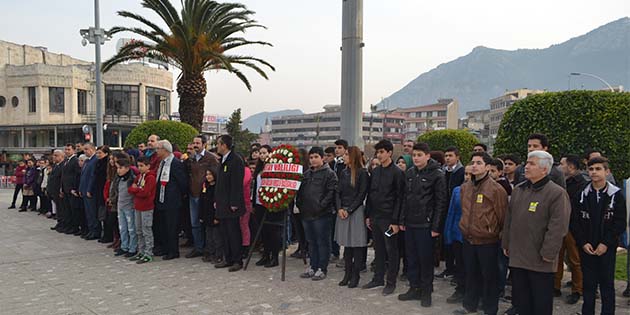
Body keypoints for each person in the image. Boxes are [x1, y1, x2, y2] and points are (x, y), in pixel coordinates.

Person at [502, 150, 571, 315]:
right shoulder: (519, 190)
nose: (526, 167)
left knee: (540, 303)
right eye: (527, 163)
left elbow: (558, 227)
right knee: (521, 301)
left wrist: (548, 253)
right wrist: (506, 243)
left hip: (540, 260)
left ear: (544, 170)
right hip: (518, 257)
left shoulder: (556, 193)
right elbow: (509, 220)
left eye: (531, 164)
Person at [452, 152, 508, 315]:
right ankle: (470, 306)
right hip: (468, 238)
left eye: (479, 162)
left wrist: (500, 237)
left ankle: (490, 309)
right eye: (473, 162)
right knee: (471, 274)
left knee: (489, 277)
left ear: (488, 167)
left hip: (488, 241)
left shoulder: (496, 189)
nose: (474, 165)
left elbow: (502, 216)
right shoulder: (465, 187)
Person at [570, 157, 626, 315]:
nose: (594, 172)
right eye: (591, 169)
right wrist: (583, 242)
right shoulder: (581, 194)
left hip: (606, 248)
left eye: (598, 169)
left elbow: (619, 223)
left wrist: (606, 243)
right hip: (587, 247)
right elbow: (574, 222)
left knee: (607, 284)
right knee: (588, 285)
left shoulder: (616, 195)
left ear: (607, 172)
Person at [398, 143, 447, 307]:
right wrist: (402, 220)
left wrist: (436, 227)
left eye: (420, 155)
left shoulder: (438, 175)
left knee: (425, 260)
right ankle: (414, 288)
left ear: (428, 156)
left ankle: (426, 292)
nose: (416, 158)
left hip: (426, 225)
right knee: (411, 259)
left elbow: (441, 202)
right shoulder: (410, 173)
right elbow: (405, 198)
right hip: (410, 223)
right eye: (414, 155)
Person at [363, 139, 405, 295]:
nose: (379, 155)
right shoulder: (375, 172)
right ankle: (377, 278)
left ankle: (391, 282)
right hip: (375, 217)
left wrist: (395, 221)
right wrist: (368, 215)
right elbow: (370, 194)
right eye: (377, 152)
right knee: (378, 249)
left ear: (389, 153)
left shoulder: (397, 173)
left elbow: (400, 198)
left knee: (391, 251)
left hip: (389, 219)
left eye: (382, 152)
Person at [297, 146, 338, 281]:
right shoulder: (307, 174)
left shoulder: (329, 174)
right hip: (306, 213)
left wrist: (321, 206)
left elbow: (331, 193)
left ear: (322, 158)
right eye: (311, 157)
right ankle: (313, 266)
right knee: (311, 242)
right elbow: (301, 192)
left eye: (316, 157)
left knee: (322, 242)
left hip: (322, 214)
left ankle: (322, 268)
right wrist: (301, 205)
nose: (313, 160)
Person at [335, 146, 369, 288]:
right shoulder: (343, 172)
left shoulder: (362, 173)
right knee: (347, 246)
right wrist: (339, 208)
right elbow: (337, 192)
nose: (344, 156)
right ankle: (347, 274)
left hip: (356, 211)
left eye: (347, 154)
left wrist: (349, 209)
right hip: (343, 211)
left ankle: (355, 276)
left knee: (356, 245)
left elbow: (362, 194)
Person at [556, 154, 586, 304]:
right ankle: (555, 286)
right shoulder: (560, 182)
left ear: (571, 167)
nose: (559, 167)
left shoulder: (582, 184)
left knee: (575, 260)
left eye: (562, 164)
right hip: (558, 224)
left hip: (573, 226)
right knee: (557, 257)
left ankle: (577, 289)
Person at [214, 135, 246, 272]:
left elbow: (236, 184)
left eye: (218, 144)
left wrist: (234, 203)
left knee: (233, 233)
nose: (217, 146)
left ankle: (237, 260)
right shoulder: (223, 160)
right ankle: (228, 258)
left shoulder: (236, 160)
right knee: (224, 233)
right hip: (222, 203)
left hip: (231, 204)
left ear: (224, 145)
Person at [185, 134, 219, 259]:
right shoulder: (191, 158)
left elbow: (215, 174)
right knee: (195, 223)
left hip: (205, 195)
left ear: (204, 144)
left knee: (207, 223)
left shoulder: (210, 158)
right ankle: (198, 247)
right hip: (193, 194)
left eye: (198, 143)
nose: (195, 145)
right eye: (194, 143)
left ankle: (209, 248)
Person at [154, 140, 189, 260]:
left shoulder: (175, 163)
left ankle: (173, 251)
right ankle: (165, 248)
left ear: (165, 150)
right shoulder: (162, 163)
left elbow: (182, 182)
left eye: (158, 148)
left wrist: (179, 195)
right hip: (161, 199)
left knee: (171, 227)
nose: (156, 151)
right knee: (162, 226)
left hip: (172, 200)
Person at [444, 164, 473, 304]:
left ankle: (472, 292)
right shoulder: (457, 190)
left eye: (470, 174)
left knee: (471, 266)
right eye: (465, 174)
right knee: (460, 264)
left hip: (472, 235)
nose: (467, 177)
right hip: (457, 233)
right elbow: (451, 213)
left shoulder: (480, 191)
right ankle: (460, 289)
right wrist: (448, 233)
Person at [439, 146, 465, 280]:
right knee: (446, 240)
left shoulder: (462, 172)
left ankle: (457, 270)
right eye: (446, 156)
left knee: (456, 242)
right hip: (444, 210)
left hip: (456, 211)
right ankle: (449, 268)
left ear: (457, 157)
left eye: (450, 155)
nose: (448, 158)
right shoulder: (442, 172)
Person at [128, 156, 156, 264]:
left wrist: (137, 190)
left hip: (147, 207)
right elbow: (130, 189)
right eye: (138, 165)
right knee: (138, 230)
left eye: (142, 166)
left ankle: (149, 252)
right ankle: (141, 251)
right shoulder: (139, 176)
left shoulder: (150, 178)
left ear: (148, 166)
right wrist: (137, 189)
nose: (139, 168)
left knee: (146, 230)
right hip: (137, 206)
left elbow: (146, 193)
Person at [112, 158, 137, 257]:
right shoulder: (118, 179)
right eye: (117, 168)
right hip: (120, 206)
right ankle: (124, 246)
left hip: (129, 207)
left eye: (120, 168)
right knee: (122, 228)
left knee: (131, 228)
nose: (118, 170)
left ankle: (133, 248)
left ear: (127, 168)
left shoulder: (132, 179)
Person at [200, 168, 224, 264]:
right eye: (207, 174)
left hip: (215, 216)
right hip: (207, 216)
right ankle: (210, 253)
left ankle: (218, 255)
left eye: (210, 174)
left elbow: (219, 203)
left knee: (217, 237)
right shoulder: (205, 186)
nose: (208, 176)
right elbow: (201, 202)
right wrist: (201, 216)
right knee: (208, 236)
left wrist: (217, 217)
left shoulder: (218, 187)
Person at [79, 143, 100, 240]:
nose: (85, 151)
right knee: (88, 212)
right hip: (84, 189)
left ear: (92, 149)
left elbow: (93, 177)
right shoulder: (87, 161)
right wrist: (81, 188)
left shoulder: (95, 160)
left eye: (87, 149)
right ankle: (90, 230)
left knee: (92, 212)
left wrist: (89, 189)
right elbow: (83, 176)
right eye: (84, 150)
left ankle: (95, 231)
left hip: (90, 191)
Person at [95, 146, 112, 244]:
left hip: (105, 191)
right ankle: (105, 234)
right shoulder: (98, 163)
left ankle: (108, 235)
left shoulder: (106, 163)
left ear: (106, 153)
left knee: (106, 214)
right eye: (97, 153)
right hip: (99, 190)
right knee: (102, 214)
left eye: (100, 153)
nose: (98, 155)